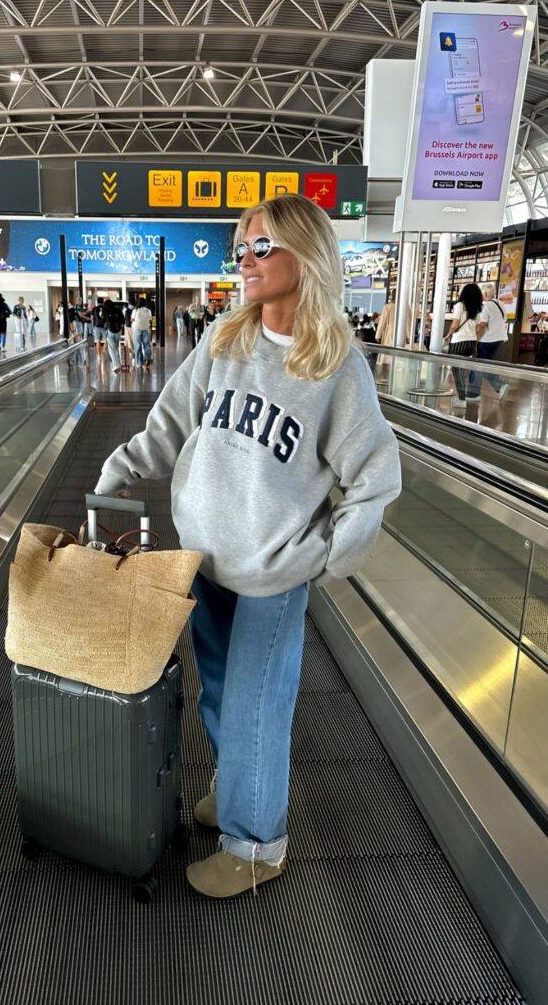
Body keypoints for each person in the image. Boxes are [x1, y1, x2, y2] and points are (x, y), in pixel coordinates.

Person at [94, 192, 401, 898]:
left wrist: (328, 556)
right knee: (221, 690)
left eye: (262, 247)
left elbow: (374, 478)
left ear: (306, 255)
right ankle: (238, 791)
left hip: (271, 572)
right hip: (203, 555)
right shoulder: (226, 340)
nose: (246, 260)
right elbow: (171, 420)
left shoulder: (335, 369)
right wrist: (123, 468)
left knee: (257, 706)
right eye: (242, 248)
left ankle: (256, 844)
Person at [467, 284, 509, 401]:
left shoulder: (485, 306)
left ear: (485, 294)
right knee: (486, 364)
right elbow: (504, 319)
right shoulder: (500, 304)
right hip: (499, 339)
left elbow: (482, 325)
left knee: (478, 365)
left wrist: (474, 339)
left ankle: (473, 393)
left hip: (487, 340)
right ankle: (498, 386)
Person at [444, 282, 482, 405]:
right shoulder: (478, 308)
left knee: (456, 370)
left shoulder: (460, 305)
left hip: (459, 341)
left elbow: (455, 324)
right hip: (471, 342)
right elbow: (478, 328)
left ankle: (461, 399)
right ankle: (461, 395)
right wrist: (475, 344)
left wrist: (448, 334)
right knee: (463, 371)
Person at [103, 298, 124, 373]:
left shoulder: (106, 311)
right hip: (118, 331)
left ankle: (116, 365)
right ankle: (119, 364)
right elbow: (123, 320)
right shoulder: (118, 310)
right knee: (116, 347)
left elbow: (104, 321)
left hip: (110, 331)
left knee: (112, 348)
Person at [132, 297, 153, 369]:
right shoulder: (148, 310)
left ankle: (139, 363)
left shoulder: (135, 310)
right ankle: (147, 358)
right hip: (146, 329)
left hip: (137, 329)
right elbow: (150, 319)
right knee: (147, 345)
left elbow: (132, 319)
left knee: (138, 346)